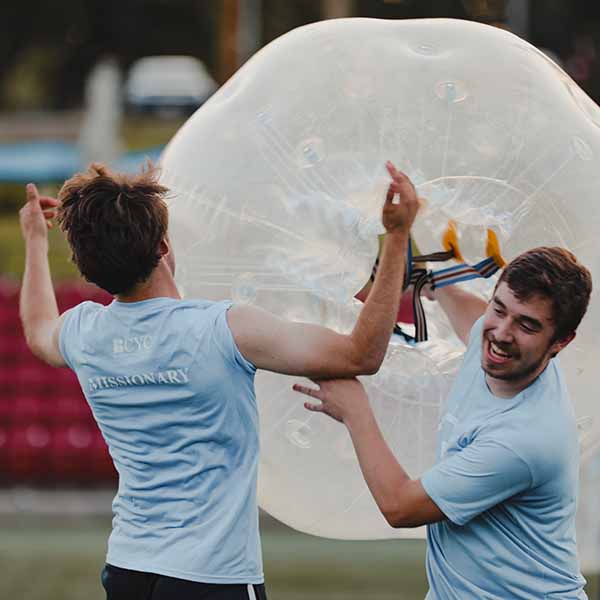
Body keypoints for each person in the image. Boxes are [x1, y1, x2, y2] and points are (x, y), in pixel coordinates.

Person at [18, 160, 420, 600]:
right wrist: (398, 238)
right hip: (211, 578)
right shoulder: (221, 330)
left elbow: (39, 330)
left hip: (127, 571)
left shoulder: (84, 332)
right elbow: (361, 354)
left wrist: (35, 243)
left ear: (89, 268)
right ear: (164, 245)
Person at [293, 246, 592, 599]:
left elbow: (400, 506)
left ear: (561, 341)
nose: (500, 333)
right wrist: (434, 279)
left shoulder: (526, 438)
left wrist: (355, 410)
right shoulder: (500, 345)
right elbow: (475, 321)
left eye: (526, 325)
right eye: (499, 309)